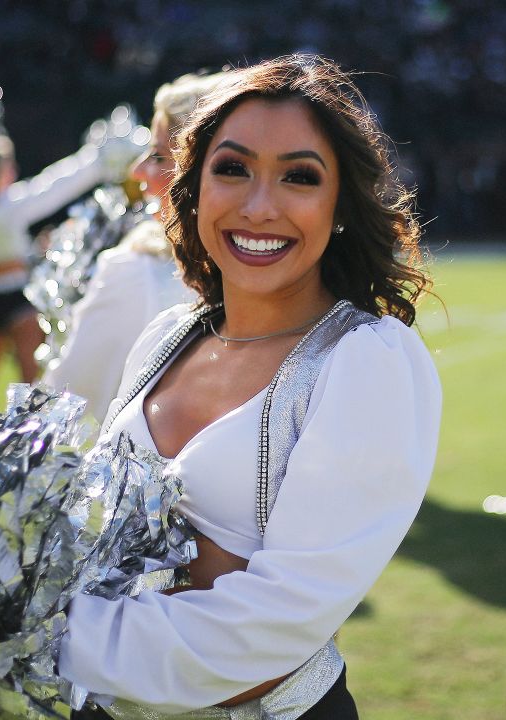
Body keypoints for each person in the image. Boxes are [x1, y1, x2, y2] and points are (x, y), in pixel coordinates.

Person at [59, 54, 441, 718]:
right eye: (232, 169)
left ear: (342, 203)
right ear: (194, 186)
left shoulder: (366, 361)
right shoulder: (166, 337)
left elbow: (271, 629)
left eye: (299, 177)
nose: (259, 207)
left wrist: (49, 633)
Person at [41, 72, 229, 424]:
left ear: (199, 170)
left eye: (158, 156)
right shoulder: (282, 281)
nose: (138, 170)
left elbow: (63, 399)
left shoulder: (134, 271)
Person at [0, 130, 121, 440]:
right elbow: (56, 184)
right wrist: (95, 159)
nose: (13, 172)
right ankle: (30, 450)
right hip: (19, 298)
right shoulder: (11, 204)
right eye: (7, 166)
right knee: (32, 381)